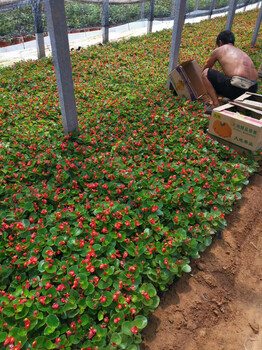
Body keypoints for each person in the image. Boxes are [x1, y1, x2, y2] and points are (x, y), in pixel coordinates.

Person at [202, 30, 258, 113]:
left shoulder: (219, 50)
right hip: (253, 89)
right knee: (229, 78)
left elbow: (206, 68)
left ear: (220, 43)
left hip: (239, 88)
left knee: (206, 73)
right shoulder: (240, 52)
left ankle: (215, 105)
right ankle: (238, 104)